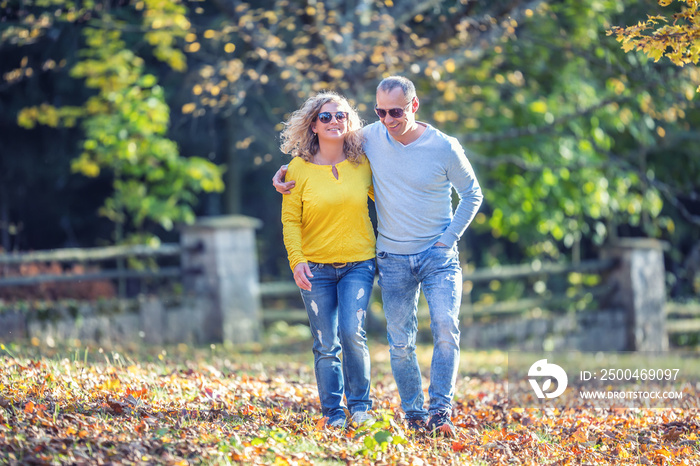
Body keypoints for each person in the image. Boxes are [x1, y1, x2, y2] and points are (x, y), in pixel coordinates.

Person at [274, 76, 483, 438]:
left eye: (396, 111)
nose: (387, 119)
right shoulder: (354, 144)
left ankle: (430, 411)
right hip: (379, 259)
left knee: (434, 329)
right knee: (378, 343)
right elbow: (302, 193)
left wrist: (447, 238)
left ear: (414, 106)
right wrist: (280, 176)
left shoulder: (423, 149)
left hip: (411, 257)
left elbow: (468, 194)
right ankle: (394, 414)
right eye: (380, 112)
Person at [279, 91, 377, 429]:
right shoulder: (298, 168)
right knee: (325, 344)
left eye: (341, 115)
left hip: (359, 262)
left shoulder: (363, 162)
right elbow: (290, 220)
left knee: (352, 333)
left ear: (350, 122)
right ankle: (334, 413)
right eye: (326, 117)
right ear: (313, 125)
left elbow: (393, 194)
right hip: (315, 268)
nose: (334, 121)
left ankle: (361, 407)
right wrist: (297, 260)